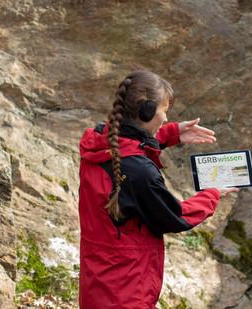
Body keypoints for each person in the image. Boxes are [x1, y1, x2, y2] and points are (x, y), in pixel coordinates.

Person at [78, 71, 238, 308]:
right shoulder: (140, 172)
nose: (165, 118)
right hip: (127, 292)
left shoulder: (97, 144)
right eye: (164, 111)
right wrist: (212, 194)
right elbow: (174, 216)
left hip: (97, 284)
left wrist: (173, 133)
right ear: (148, 111)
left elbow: (128, 142)